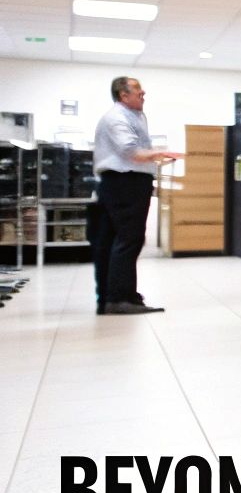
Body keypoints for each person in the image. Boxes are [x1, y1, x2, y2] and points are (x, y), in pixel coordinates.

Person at [90, 76, 179, 315]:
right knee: (129, 239)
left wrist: (156, 158)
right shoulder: (117, 117)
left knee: (116, 240)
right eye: (137, 89)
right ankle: (119, 298)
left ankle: (117, 296)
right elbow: (130, 151)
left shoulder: (135, 116)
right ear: (123, 94)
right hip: (124, 182)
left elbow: (137, 153)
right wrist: (160, 153)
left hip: (127, 181)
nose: (143, 92)